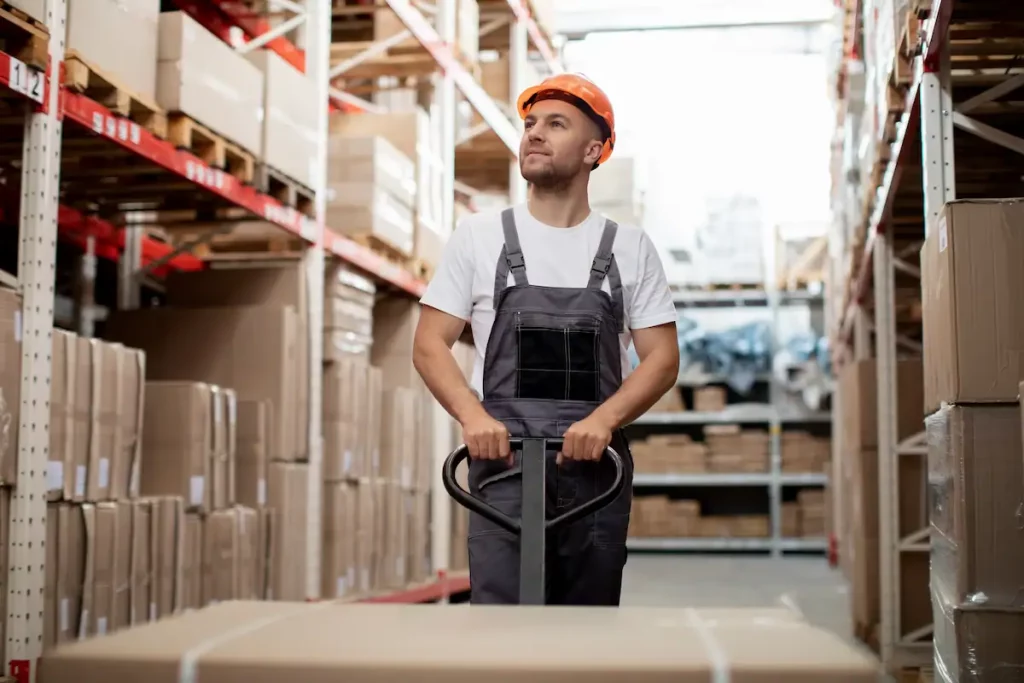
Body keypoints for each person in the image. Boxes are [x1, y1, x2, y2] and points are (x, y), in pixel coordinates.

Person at [412, 73, 680, 606]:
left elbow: (663, 358)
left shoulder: (629, 248)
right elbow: (428, 343)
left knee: (588, 627)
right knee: (503, 627)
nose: (534, 133)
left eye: (556, 124)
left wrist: (603, 420)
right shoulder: (479, 237)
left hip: (594, 473)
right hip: (504, 466)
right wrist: (474, 417)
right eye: (530, 123)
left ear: (593, 150)